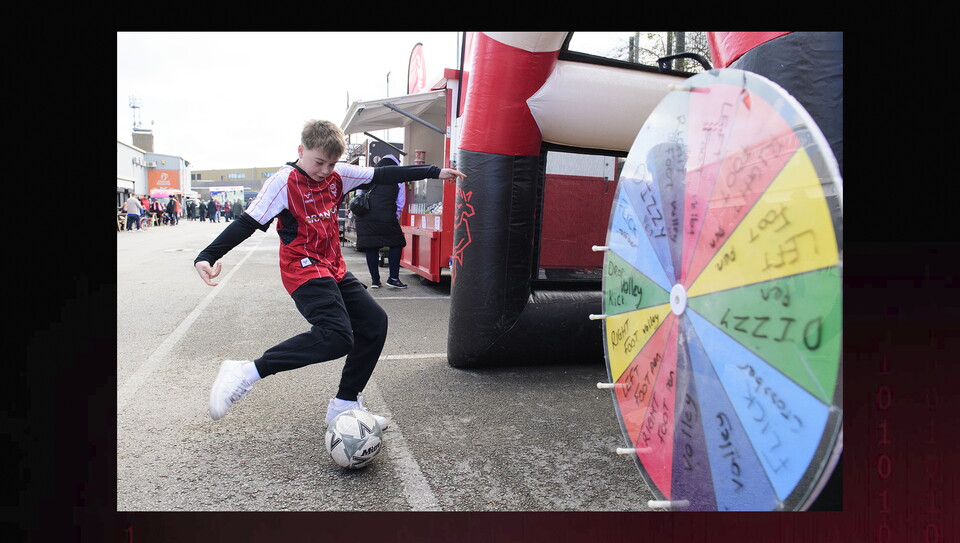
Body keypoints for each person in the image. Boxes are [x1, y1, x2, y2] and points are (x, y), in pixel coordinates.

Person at [194, 119, 465, 427]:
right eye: (319, 162)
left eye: (331, 163)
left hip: (332, 267)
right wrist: (208, 255)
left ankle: (345, 403)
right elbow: (248, 222)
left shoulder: (339, 175)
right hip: (302, 269)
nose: (325, 170)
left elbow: (384, 174)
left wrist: (435, 172)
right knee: (337, 337)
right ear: (301, 150)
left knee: (374, 324)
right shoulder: (284, 182)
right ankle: (245, 371)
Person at [355, 154, 408, 289]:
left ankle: (375, 280)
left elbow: (358, 195)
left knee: (371, 246)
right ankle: (393, 278)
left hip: (365, 216)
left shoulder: (367, 174)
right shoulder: (398, 178)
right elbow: (400, 202)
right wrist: (394, 217)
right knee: (396, 243)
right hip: (386, 216)